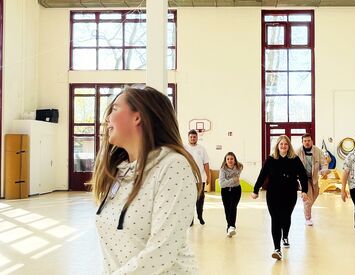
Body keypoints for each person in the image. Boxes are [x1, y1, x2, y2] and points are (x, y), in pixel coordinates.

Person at [92, 86, 202, 274]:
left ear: (138, 117)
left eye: (115, 109)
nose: (108, 118)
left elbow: (162, 252)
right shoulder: (121, 171)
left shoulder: (173, 166)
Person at [252, 135, 309, 260]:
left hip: (289, 194)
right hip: (273, 194)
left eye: (286, 144)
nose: (283, 146)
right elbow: (262, 175)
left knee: (286, 217)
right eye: (281, 144)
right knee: (275, 219)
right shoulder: (271, 159)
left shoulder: (294, 159)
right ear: (277, 146)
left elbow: (303, 175)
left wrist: (304, 190)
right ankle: (277, 249)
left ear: (289, 146)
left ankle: (285, 236)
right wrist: (255, 190)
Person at [295, 133, 330, 226]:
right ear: (302, 142)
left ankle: (307, 205)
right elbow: (293, 164)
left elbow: (324, 163)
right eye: (305, 141)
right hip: (303, 178)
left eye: (308, 141)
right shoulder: (298, 151)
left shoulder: (318, 151)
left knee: (316, 193)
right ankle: (308, 218)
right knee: (308, 199)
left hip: (314, 177)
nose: (307, 143)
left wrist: (324, 171)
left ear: (312, 141)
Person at [184, 129, 211, 225]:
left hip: (200, 178)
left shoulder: (202, 149)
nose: (192, 138)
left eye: (194, 137)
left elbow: (206, 163)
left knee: (200, 198)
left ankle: (200, 216)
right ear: (188, 137)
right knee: (190, 199)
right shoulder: (184, 148)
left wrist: (208, 176)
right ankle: (190, 219)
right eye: (191, 137)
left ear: (197, 137)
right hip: (188, 178)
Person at [219, 152, 243, 237]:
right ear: (225, 160)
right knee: (227, 209)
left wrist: (228, 181)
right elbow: (221, 184)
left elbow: (237, 179)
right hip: (225, 191)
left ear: (235, 160)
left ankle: (231, 226)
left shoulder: (239, 167)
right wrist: (233, 180)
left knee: (233, 207)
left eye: (232, 159)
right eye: (228, 159)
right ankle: (229, 227)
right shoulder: (222, 169)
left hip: (236, 190)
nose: (230, 161)